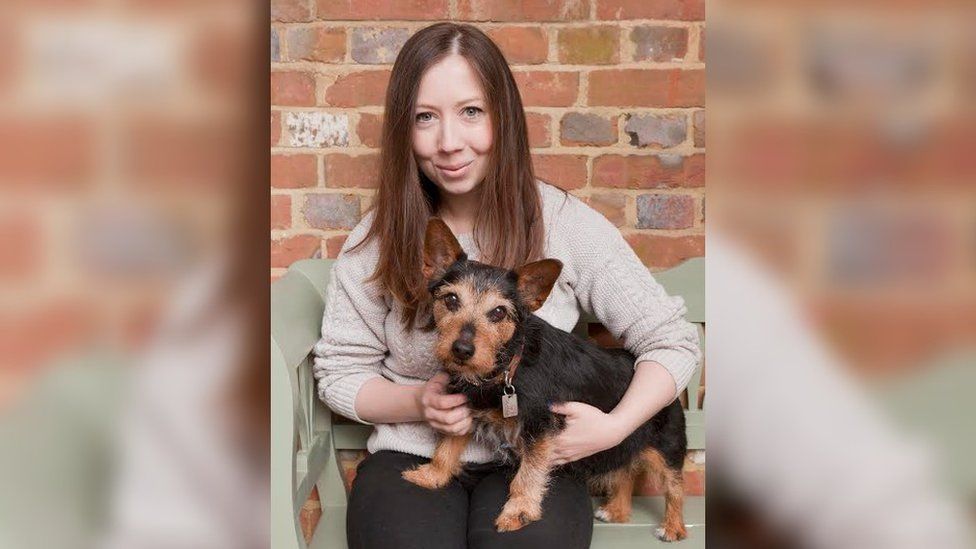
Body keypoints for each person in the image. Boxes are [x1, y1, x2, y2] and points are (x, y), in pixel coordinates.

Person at [312, 22, 701, 549]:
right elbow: (338, 371)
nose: (449, 143)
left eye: (471, 112)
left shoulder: (564, 223)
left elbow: (671, 340)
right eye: (426, 117)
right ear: (404, 128)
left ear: (504, 117)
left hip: (537, 457)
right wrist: (416, 403)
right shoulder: (377, 239)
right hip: (415, 449)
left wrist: (615, 428)